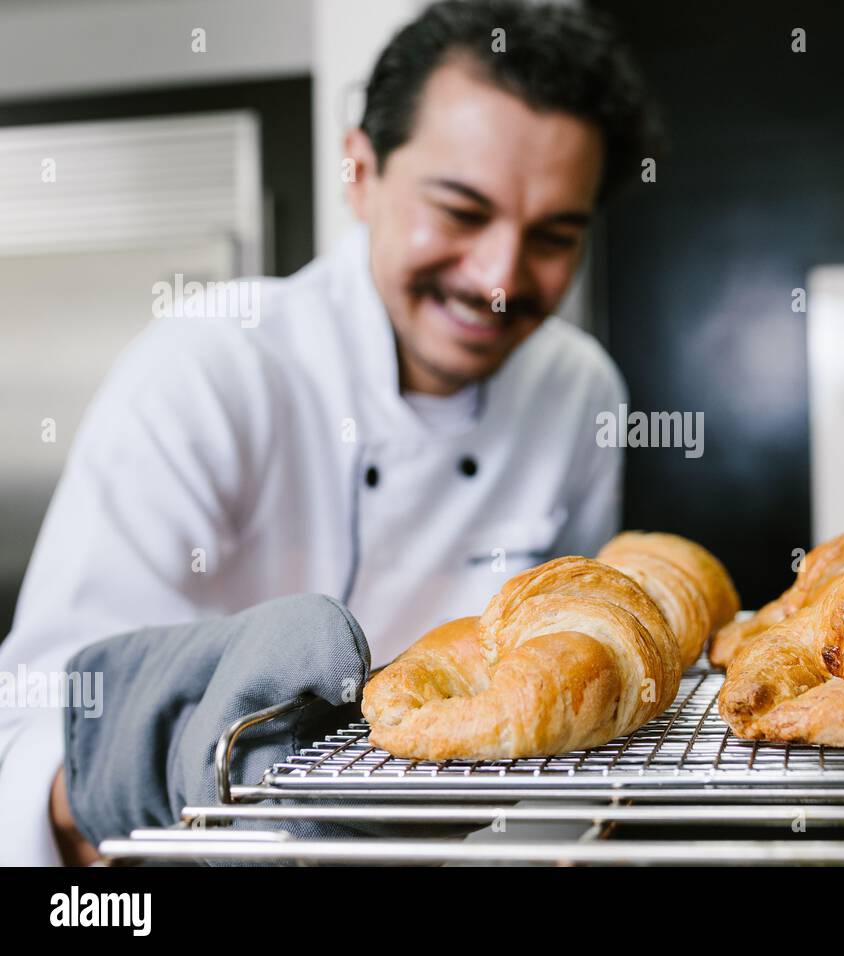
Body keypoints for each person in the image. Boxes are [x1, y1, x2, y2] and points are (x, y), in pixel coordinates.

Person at [0, 0, 660, 865]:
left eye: (552, 236)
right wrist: (147, 765)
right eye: (461, 211)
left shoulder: (578, 391)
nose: (500, 278)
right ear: (360, 172)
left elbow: (565, 658)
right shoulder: (212, 368)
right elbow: (40, 711)